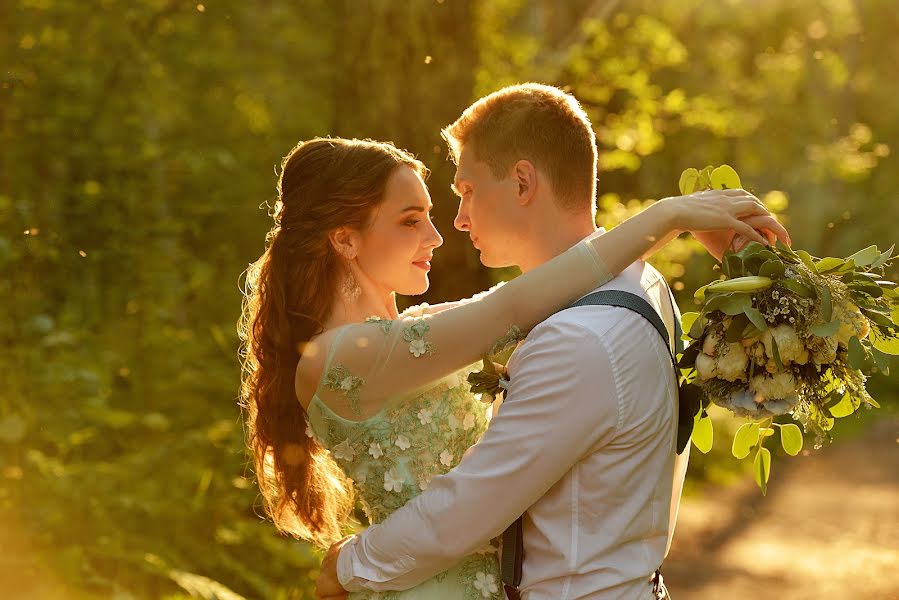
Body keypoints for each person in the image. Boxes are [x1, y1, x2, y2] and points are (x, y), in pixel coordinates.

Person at [238, 98, 785, 598]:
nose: (439, 233)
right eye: (411, 220)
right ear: (345, 238)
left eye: (444, 206)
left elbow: (528, 294)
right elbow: (511, 309)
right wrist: (668, 218)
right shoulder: (338, 358)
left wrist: (678, 228)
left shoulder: (424, 328)